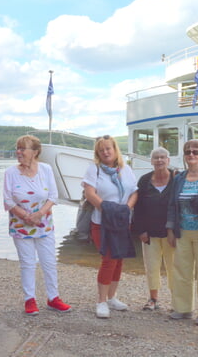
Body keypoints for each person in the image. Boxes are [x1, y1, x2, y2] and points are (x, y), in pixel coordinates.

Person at [3, 135, 71, 315]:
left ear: (35, 152)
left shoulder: (46, 169)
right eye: (17, 148)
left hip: (44, 224)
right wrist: (26, 216)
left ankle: (53, 298)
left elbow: (53, 196)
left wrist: (39, 214)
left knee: (49, 262)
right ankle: (29, 300)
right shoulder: (10, 173)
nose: (18, 152)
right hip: (20, 225)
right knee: (27, 263)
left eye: (22, 149)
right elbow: (8, 200)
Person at [82, 135, 138, 319]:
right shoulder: (95, 169)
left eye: (108, 148)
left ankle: (112, 297)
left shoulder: (125, 169)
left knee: (119, 258)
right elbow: (89, 193)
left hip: (122, 221)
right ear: (98, 153)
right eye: (101, 150)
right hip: (102, 222)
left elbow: (135, 191)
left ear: (115, 150)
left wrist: (126, 208)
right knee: (108, 259)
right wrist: (106, 209)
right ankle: (101, 301)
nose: (105, 152)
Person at [166, 139, 198, 326]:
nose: (192, 155)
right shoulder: (178, 178)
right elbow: (172, 205)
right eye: (188, 152)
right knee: (181, 271)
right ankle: (183, 308)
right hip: (183, 231)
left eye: (196, 152)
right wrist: (170, 229)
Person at [133, 147, 175, 311]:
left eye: (163, 157)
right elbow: (138, 207)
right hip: (150, 233)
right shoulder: (144, 180)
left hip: (171, 233)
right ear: (151, 161)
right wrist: (141, 230)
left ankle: (176, 300)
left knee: (174, 267)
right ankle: (153, 299)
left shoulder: (176, 178)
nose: (159, 160)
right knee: (152, 266)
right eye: (156, 158)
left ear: (168, 160)